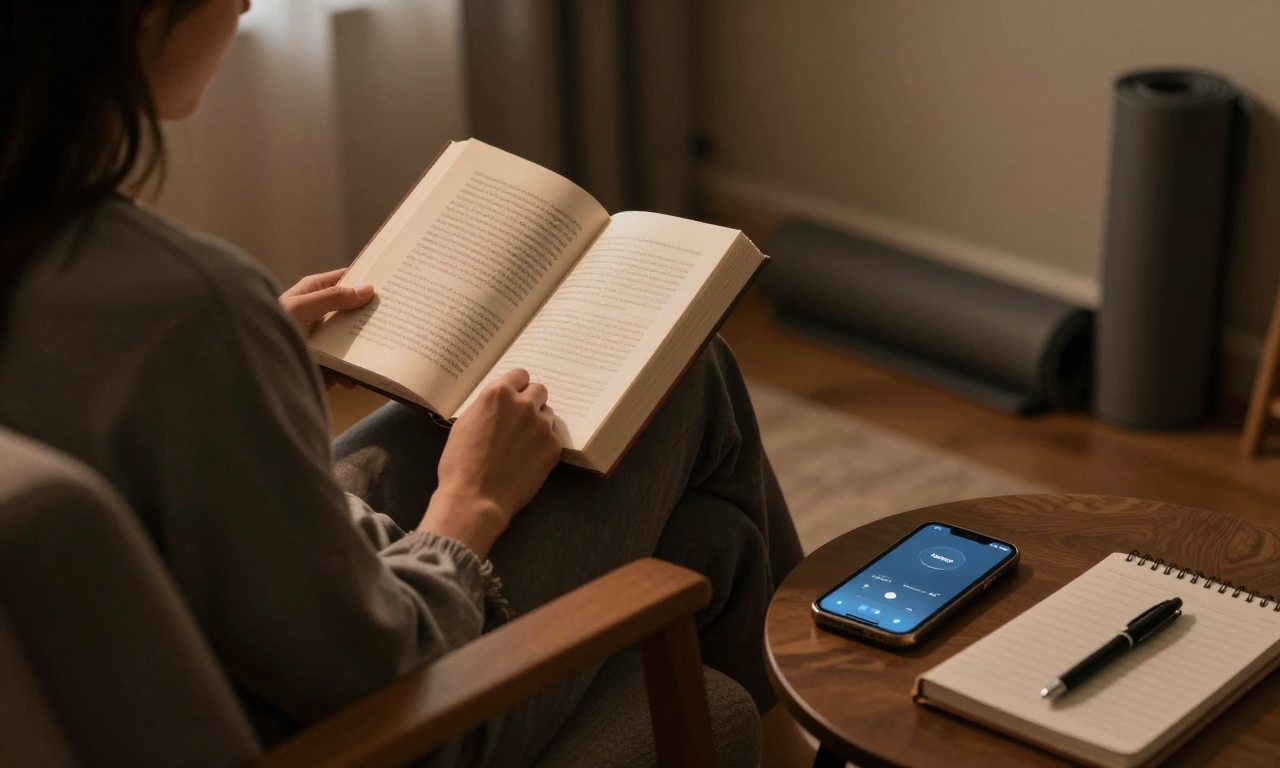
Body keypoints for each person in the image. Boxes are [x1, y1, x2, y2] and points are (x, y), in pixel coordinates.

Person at [0, 1, 809, 765]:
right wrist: (471, 503)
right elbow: (380, 663)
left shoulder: (71, 265)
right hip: (388, 726)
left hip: (220, 652)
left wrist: (250, 367)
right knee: (687, 378)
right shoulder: (188, 309)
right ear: (142, 14)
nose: (246, 6)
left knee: (712, 545)